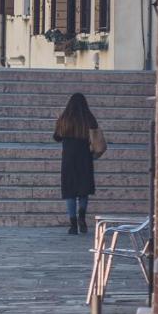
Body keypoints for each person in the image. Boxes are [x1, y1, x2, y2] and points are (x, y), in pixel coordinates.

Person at [55, 92, 102, 235]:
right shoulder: (88, 118)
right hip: (85, 158)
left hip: (68, 159)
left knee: (69, 192)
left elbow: (56, 137)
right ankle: (82, 216)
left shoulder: (64, 118)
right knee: (83, 190)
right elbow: (95, 134)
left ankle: (73, 224)